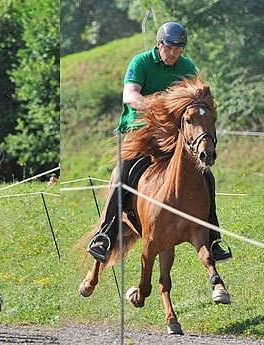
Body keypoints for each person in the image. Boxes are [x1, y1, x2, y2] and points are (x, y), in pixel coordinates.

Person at [87, 22, 232, 263]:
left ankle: (214, 239)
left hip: (171, 135)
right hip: (139, 132)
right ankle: (105, 234)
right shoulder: (141, 62)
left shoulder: (187, 68)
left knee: (206, 176)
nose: (174, 52)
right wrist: (158, 107)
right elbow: (130, 96)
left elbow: (194, 102)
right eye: (170, 47)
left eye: (179, 48)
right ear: (159, 44)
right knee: (123, 172)